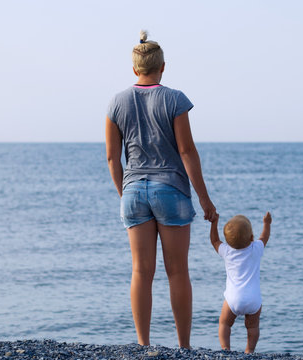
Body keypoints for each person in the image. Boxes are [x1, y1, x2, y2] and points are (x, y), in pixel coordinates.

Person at [105, 30, 217, 348]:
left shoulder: (115, 102)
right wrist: (205, 199)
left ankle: (143, 345)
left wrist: (122, 191)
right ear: (163, 67)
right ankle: (183, 346)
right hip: (171, 190)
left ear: (134, 69)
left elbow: (113, 157)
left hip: (134, 191)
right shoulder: (175, 100)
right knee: (177, 272)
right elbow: (187, 152)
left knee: (141, 271)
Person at [209, 212, 272, 353]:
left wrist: (214, 224)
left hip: (233, 299)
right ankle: (249, 350)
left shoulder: (226, 251)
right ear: (251, 237)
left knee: (225, 323)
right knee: (253, 327)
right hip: (253, 299)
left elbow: (214, 240)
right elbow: (264, 237)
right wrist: (267, 223)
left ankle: (226, 348)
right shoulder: (256, 249)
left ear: (228, 241)